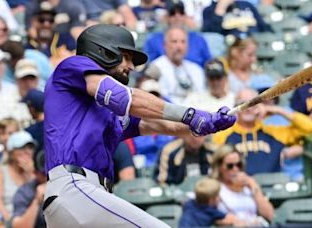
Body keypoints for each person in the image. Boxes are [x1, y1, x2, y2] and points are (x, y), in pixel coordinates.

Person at [43, 24, 236, 227]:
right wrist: (189, 115)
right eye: (126, 57)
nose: (131, 66)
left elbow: (158, 124)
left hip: (83, 199)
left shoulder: (104, 114)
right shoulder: (73, 65)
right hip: (75, 188)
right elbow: (124, 98)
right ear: (103, 51)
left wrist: (209, 122)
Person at [214, 88, 312, 175]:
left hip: (273, 187)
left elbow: (310, 127)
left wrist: (277, 110)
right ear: (235, 108)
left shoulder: (273, 132)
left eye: (252, 104)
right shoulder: (223, 134)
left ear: (259, 106)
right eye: (242, 104)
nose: (248, 108)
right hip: (237, 189)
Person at [211, 145, 274, 226]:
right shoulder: (215, 187)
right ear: (219, 167)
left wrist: (254, 186)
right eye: (230, 166)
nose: (235, 169)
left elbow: (269, 215)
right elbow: (211, 216)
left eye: (239, 164)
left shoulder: (249, 186)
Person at [150, 25, 206, 103]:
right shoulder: (155, 67)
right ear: (165, 45)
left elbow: (202, 96)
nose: (179, 46)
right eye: (174, 41)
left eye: (183, 42)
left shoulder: (196, 69)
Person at [0, 131, 35, 223]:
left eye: (30, 147)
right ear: (11, 152)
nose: (27, 151)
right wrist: (11, 223)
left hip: (34, 220)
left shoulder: (37, 172)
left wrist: (31, 174)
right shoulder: (0, 171)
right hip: (9, 220)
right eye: (22, 147)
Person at [179, 177, 245, 227]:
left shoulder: (189, 204)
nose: (220, 198)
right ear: (211, 200)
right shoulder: (211, 212)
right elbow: (232, 219)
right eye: (218, 195)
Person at [12, 150, 46, 228]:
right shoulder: (25, 192)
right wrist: (36, 201)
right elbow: (18, 226)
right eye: (44, 173)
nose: (49, 176)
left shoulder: (68, 184)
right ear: (35, 173)